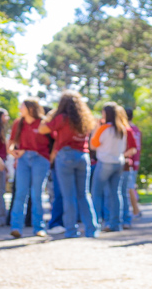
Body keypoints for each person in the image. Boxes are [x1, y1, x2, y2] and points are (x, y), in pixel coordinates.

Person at [40, 91, 99, 238]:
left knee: (68, 196)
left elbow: (42, 129)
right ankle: (92, 229)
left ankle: (71, 230)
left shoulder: (62, 118)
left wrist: (51, 115)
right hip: (83, 156)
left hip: (65, 155)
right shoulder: (85, 119)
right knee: (84, 194)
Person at [8, 98, 50, 238]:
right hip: (23, 159)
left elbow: (53, 140)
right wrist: (13, 151)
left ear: (31, 108)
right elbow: (11, 143)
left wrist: (50, 157)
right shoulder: (18, 123)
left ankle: (39, 227)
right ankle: (16, 227)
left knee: (37, 193)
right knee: (20, 193)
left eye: (23, 106)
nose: (20, 108)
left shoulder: (43, 123)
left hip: (40, 158)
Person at [90, 103, 133, 232]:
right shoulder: (122, 129)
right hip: (118, 162)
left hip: (105, 162)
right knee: (116, 193)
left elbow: (93, 145)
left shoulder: (103, 128)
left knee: (96, 193)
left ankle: (95, 223)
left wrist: (96, 128)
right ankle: (115, 224)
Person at [121, 107, 142, 228]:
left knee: (128, 188)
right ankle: (135, 211)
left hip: (128, 162)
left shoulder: (127, 129)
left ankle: (135, 211)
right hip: (135, 161)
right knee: (130, 187)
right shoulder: (136, 129)